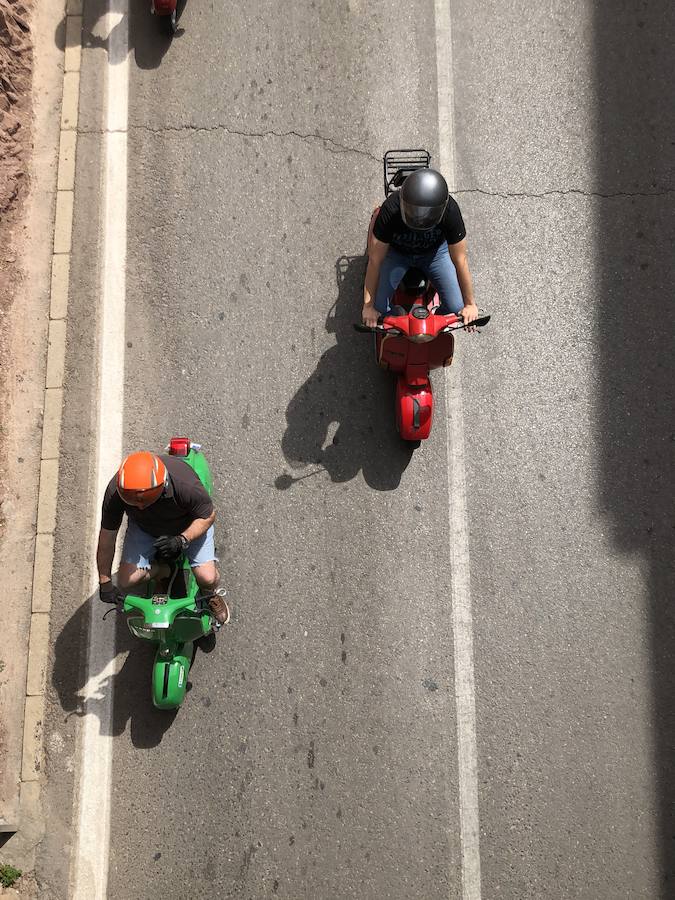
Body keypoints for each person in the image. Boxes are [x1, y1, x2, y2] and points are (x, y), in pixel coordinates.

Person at [96, 450, 230, 625]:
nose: (140, 506)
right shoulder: (116, 491)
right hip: (145, 528)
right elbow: (107, 537)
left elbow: (207, 516)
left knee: (207, 578)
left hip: (188, 524)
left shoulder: (184, 485)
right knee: (126, 581)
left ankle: (210, 593)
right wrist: (105, 581)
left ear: (162, 485)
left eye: (146, 498)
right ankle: (165, 571)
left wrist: (182, 539)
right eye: (132, 499)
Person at [362, 168, 479, 327]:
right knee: (379, 309)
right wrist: (368, 307)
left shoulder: (450, 211)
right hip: (397, 254)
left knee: (455, 308)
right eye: (414, 211)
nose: (420, 218)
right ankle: (398, 319)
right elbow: (375, 261)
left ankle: (434, 323)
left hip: (435, 253)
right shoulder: (390, 209)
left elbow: (460, 260)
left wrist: (470, 305)